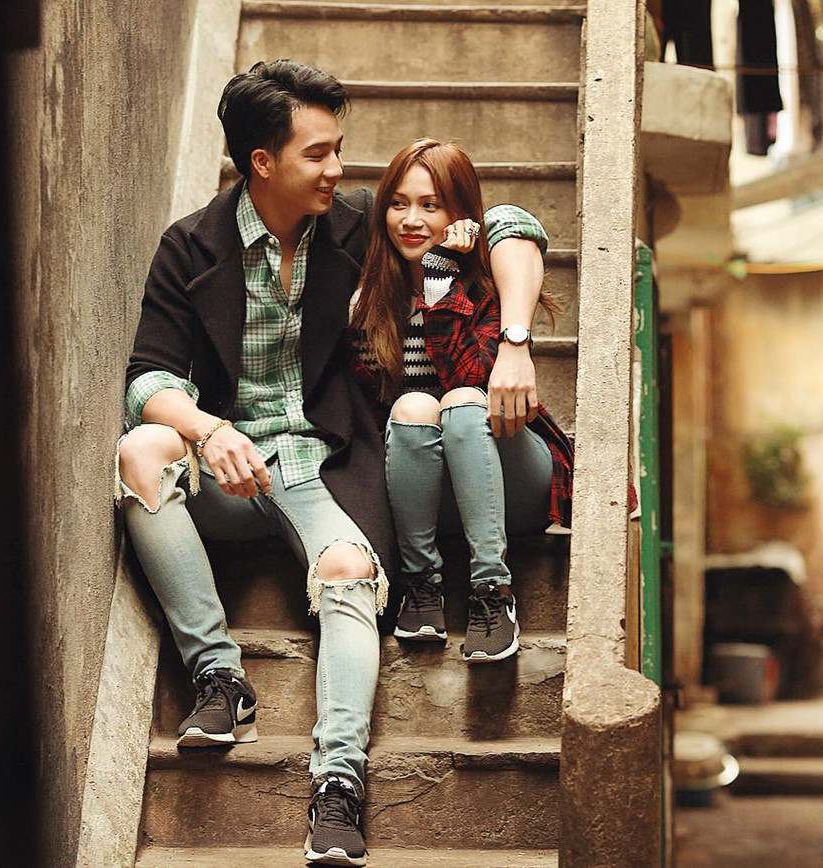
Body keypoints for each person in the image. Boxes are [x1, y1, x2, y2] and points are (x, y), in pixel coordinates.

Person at [114, 61, 548, 866]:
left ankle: (338, 781)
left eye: (338, 149)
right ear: (262, 162)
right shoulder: (191, 246)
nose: (337, 168)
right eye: (318, 153)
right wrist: (209, 430)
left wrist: (512, 332)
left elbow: (509, 222)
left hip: (324, 463)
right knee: (140, 449)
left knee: (348, 569)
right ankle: (218, 678)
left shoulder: (356, 231)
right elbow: (147, 378)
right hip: (229, 466)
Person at [349, 139, 573, 663]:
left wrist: (440, 278)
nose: (411, 220)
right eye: (398, 204)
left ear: (460, 216)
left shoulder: (488, 288)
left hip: (508, 475)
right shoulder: (369, 304)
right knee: (411, 409)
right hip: (424, 491)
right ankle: (421, 586)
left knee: (463, 401)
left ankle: (493, 589)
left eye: (430, 205)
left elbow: (468, 379)